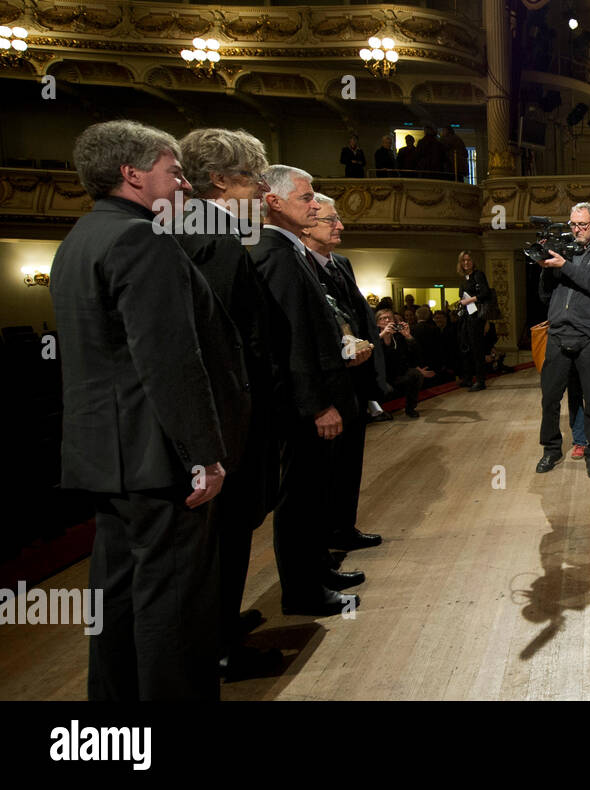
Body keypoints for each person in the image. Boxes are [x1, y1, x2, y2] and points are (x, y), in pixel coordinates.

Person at [51, 120, 237, 700]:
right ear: (132, 174)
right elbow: (169, 361)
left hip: (106, 454)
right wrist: (203, 454)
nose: (184, 181)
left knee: (117, 598)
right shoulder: (143, 239)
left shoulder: (81, 236)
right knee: (174, 604)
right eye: (173, 170)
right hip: (158, 455)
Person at [174, 127, 282, 679]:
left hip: (213, 414)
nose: (261, 191)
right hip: (227, 417)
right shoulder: (212, 234)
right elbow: (222, 339)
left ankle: (220, 625)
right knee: (227, 533)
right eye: (253, 179)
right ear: (218, 179)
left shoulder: (184, 227)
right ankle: (219, 646)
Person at [250, 164, 367, 616]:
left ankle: (316, 570)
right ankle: (302, 591)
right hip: (304, 406)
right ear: (273, 202)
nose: (316, 204)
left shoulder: (289, 251)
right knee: (299, 501)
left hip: (317, 396)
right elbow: (292, 338)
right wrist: (319, 405)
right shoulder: (275, 254)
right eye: (306, 197)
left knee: (315, 495)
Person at [302, 193, 386, 550]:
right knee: (324, 472)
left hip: (357, 379)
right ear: (306, 224)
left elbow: (359, 315)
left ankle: (344, 528)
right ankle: (325, 540)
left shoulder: (343, 263)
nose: (340, 226)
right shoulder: (299, 265)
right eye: (330, 220)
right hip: (329, 383)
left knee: (351, 462)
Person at [535, 202, 590, 479]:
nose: (576, 230)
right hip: (559, 334)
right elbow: (545, 296)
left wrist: (565, 266)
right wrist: (547, 268)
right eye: (573, 224)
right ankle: (551, 449)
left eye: (582, 225)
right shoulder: (562, 249)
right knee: (550, 399)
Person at [376, 308, 434, 417]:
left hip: (397, 373)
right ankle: (378, 413)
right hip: (379, 376)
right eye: (383, 318)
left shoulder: (398, 337)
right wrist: (383, 335)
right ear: (378, 323)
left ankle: (410, 408)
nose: (387, 320)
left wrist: (408, 336)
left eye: (390, 318)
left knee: (415, 375)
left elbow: (416, 354)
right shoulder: (374, 337)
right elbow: (369, 348)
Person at [456, 250, 494, 391]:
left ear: (473, 261)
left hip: (476, 317)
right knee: (466, 347)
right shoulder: (464, 278)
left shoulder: (478, 275)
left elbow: (485, 293)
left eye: (468, 260)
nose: (466, 263)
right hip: (467, 316)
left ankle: (480, 381)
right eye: (463, 260)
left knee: (477, 348)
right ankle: (467, 378)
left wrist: (469, 300)